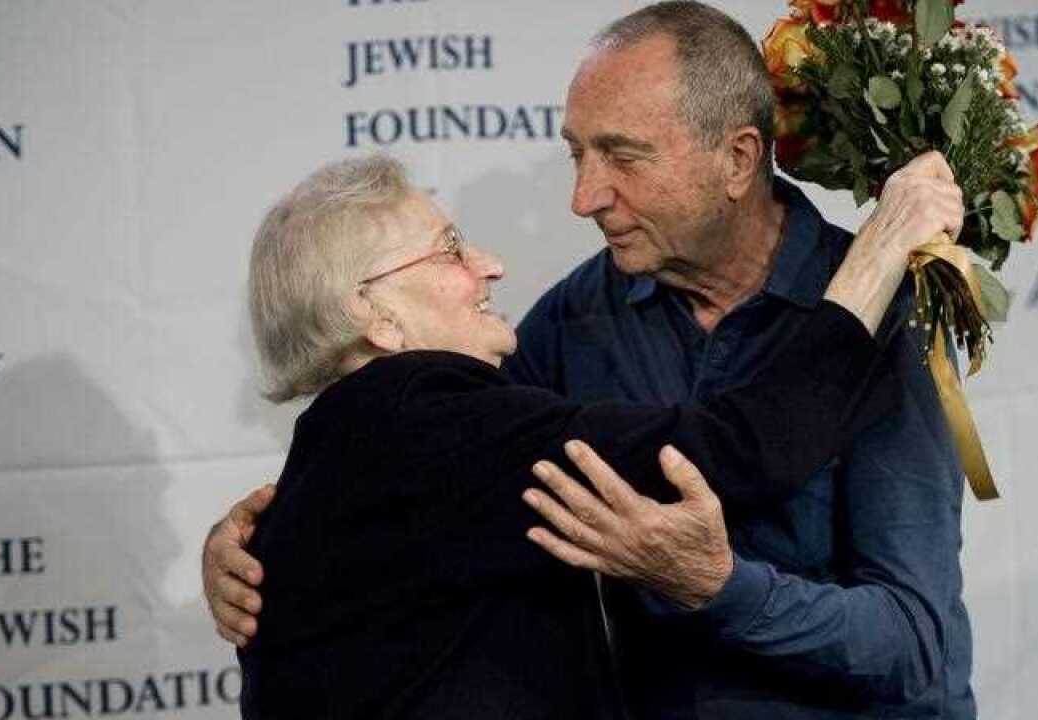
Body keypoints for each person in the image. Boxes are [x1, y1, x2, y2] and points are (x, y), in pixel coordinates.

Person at [207, 2, 975, 718]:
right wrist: (261, 549)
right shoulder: (565, 327)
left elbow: (914, 646)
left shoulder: (888, 315)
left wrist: (721, 588)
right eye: (577, 153)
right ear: (369, 311)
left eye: (622, 156)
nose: (582, 197)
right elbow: (437, 478)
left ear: (739, 160)